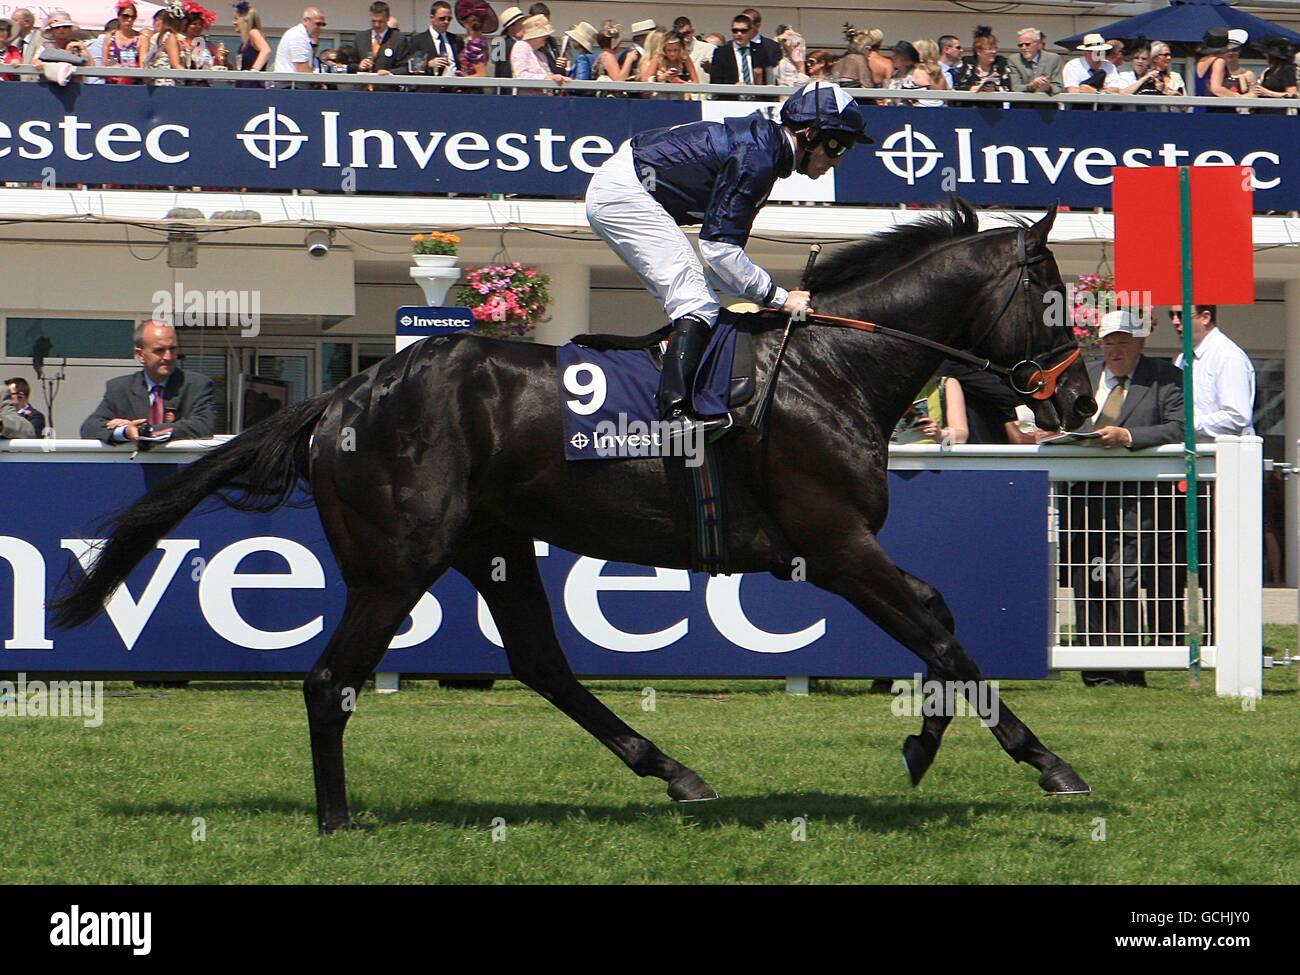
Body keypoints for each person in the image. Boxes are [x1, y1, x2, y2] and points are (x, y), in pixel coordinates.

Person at [585, 82, 871, 424]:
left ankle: (676, 383)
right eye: (838, 145)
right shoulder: (758, 158)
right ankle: (673, 414)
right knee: (696, 302)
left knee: (699, 298)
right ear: (809, 134)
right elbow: (720, 253)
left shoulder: (763, 149)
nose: (837, 160)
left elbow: (723, 256)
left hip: (626, 186)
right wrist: (780, 298)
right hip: (623, 193)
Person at [1069, 310, 1185, 686]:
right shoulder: (1083, 375)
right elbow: (1062, 420)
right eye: (1109, 342)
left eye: (1123, 342)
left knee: (1125, 579)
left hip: (1138, 498)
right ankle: (1095, 670)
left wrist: (1128, 437)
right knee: (1089, 578)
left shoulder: (1166, 377)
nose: (1114, 350)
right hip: (1086, 497)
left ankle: (1129, 666)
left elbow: (1179, 426)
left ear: (1140, 343)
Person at [80, 321, 217, 444]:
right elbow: (89, 428)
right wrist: (125, 431)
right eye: (159, 350)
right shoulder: (120, 388)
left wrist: (145, 431)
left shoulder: (197, 385)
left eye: (172, 349)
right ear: (140, 355)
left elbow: (203, 426)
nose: (168, 357)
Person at [1171, 305, 1256, 439]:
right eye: (1172, 315)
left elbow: (1237, 417)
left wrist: (1184, 425)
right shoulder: (1184, 358)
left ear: (1205, 317)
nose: (1175, 321)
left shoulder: (1227, 356)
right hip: (1188, 453)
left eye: (1181, 315)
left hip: (1223, 456)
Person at [509, 13, 566, 90]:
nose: (546, 37)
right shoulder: (521, 46)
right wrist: (546, 78)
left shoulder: (540, 54)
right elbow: (520, 75)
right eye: (543, 35)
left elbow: (549, 75)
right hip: (526, 98)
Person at [1006, 28, 1063, 96]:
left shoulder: (1054, 59)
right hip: (1022, 103)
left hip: (1046, 103)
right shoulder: (1014, 60)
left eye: (1027, 44)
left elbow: (1058, 87)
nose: (1023, 48)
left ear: (1038, 44)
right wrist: (1032, 86)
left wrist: (1048, 87)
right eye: (1020, 45)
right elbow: (1015, 87)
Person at [953, 26, 1010, 93]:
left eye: (995, 48)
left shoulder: (1001, 63)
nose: (994, 51)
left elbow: (1009, 88)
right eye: (990, 49)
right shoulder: (967, 63)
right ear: (978, 51)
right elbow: (956, 87)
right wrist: (974, 88)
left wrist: (995, 89)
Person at [273, 6, 323, 74]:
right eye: (318, 24)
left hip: (295, 82)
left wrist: (314, 42)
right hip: (291, 83)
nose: (320, 28)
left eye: (323, 24)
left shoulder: (304, 36)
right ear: (306, 21)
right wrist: (319, 83)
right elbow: (303, 69)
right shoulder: (298, 36)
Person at [233, 2, 270, 86]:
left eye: (236, 19)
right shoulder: (245, 41)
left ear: (244, 20)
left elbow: (266, 50)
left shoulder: (253, 32)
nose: (234, 22)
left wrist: (253, 71)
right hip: (243, 85)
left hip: (252, 86)